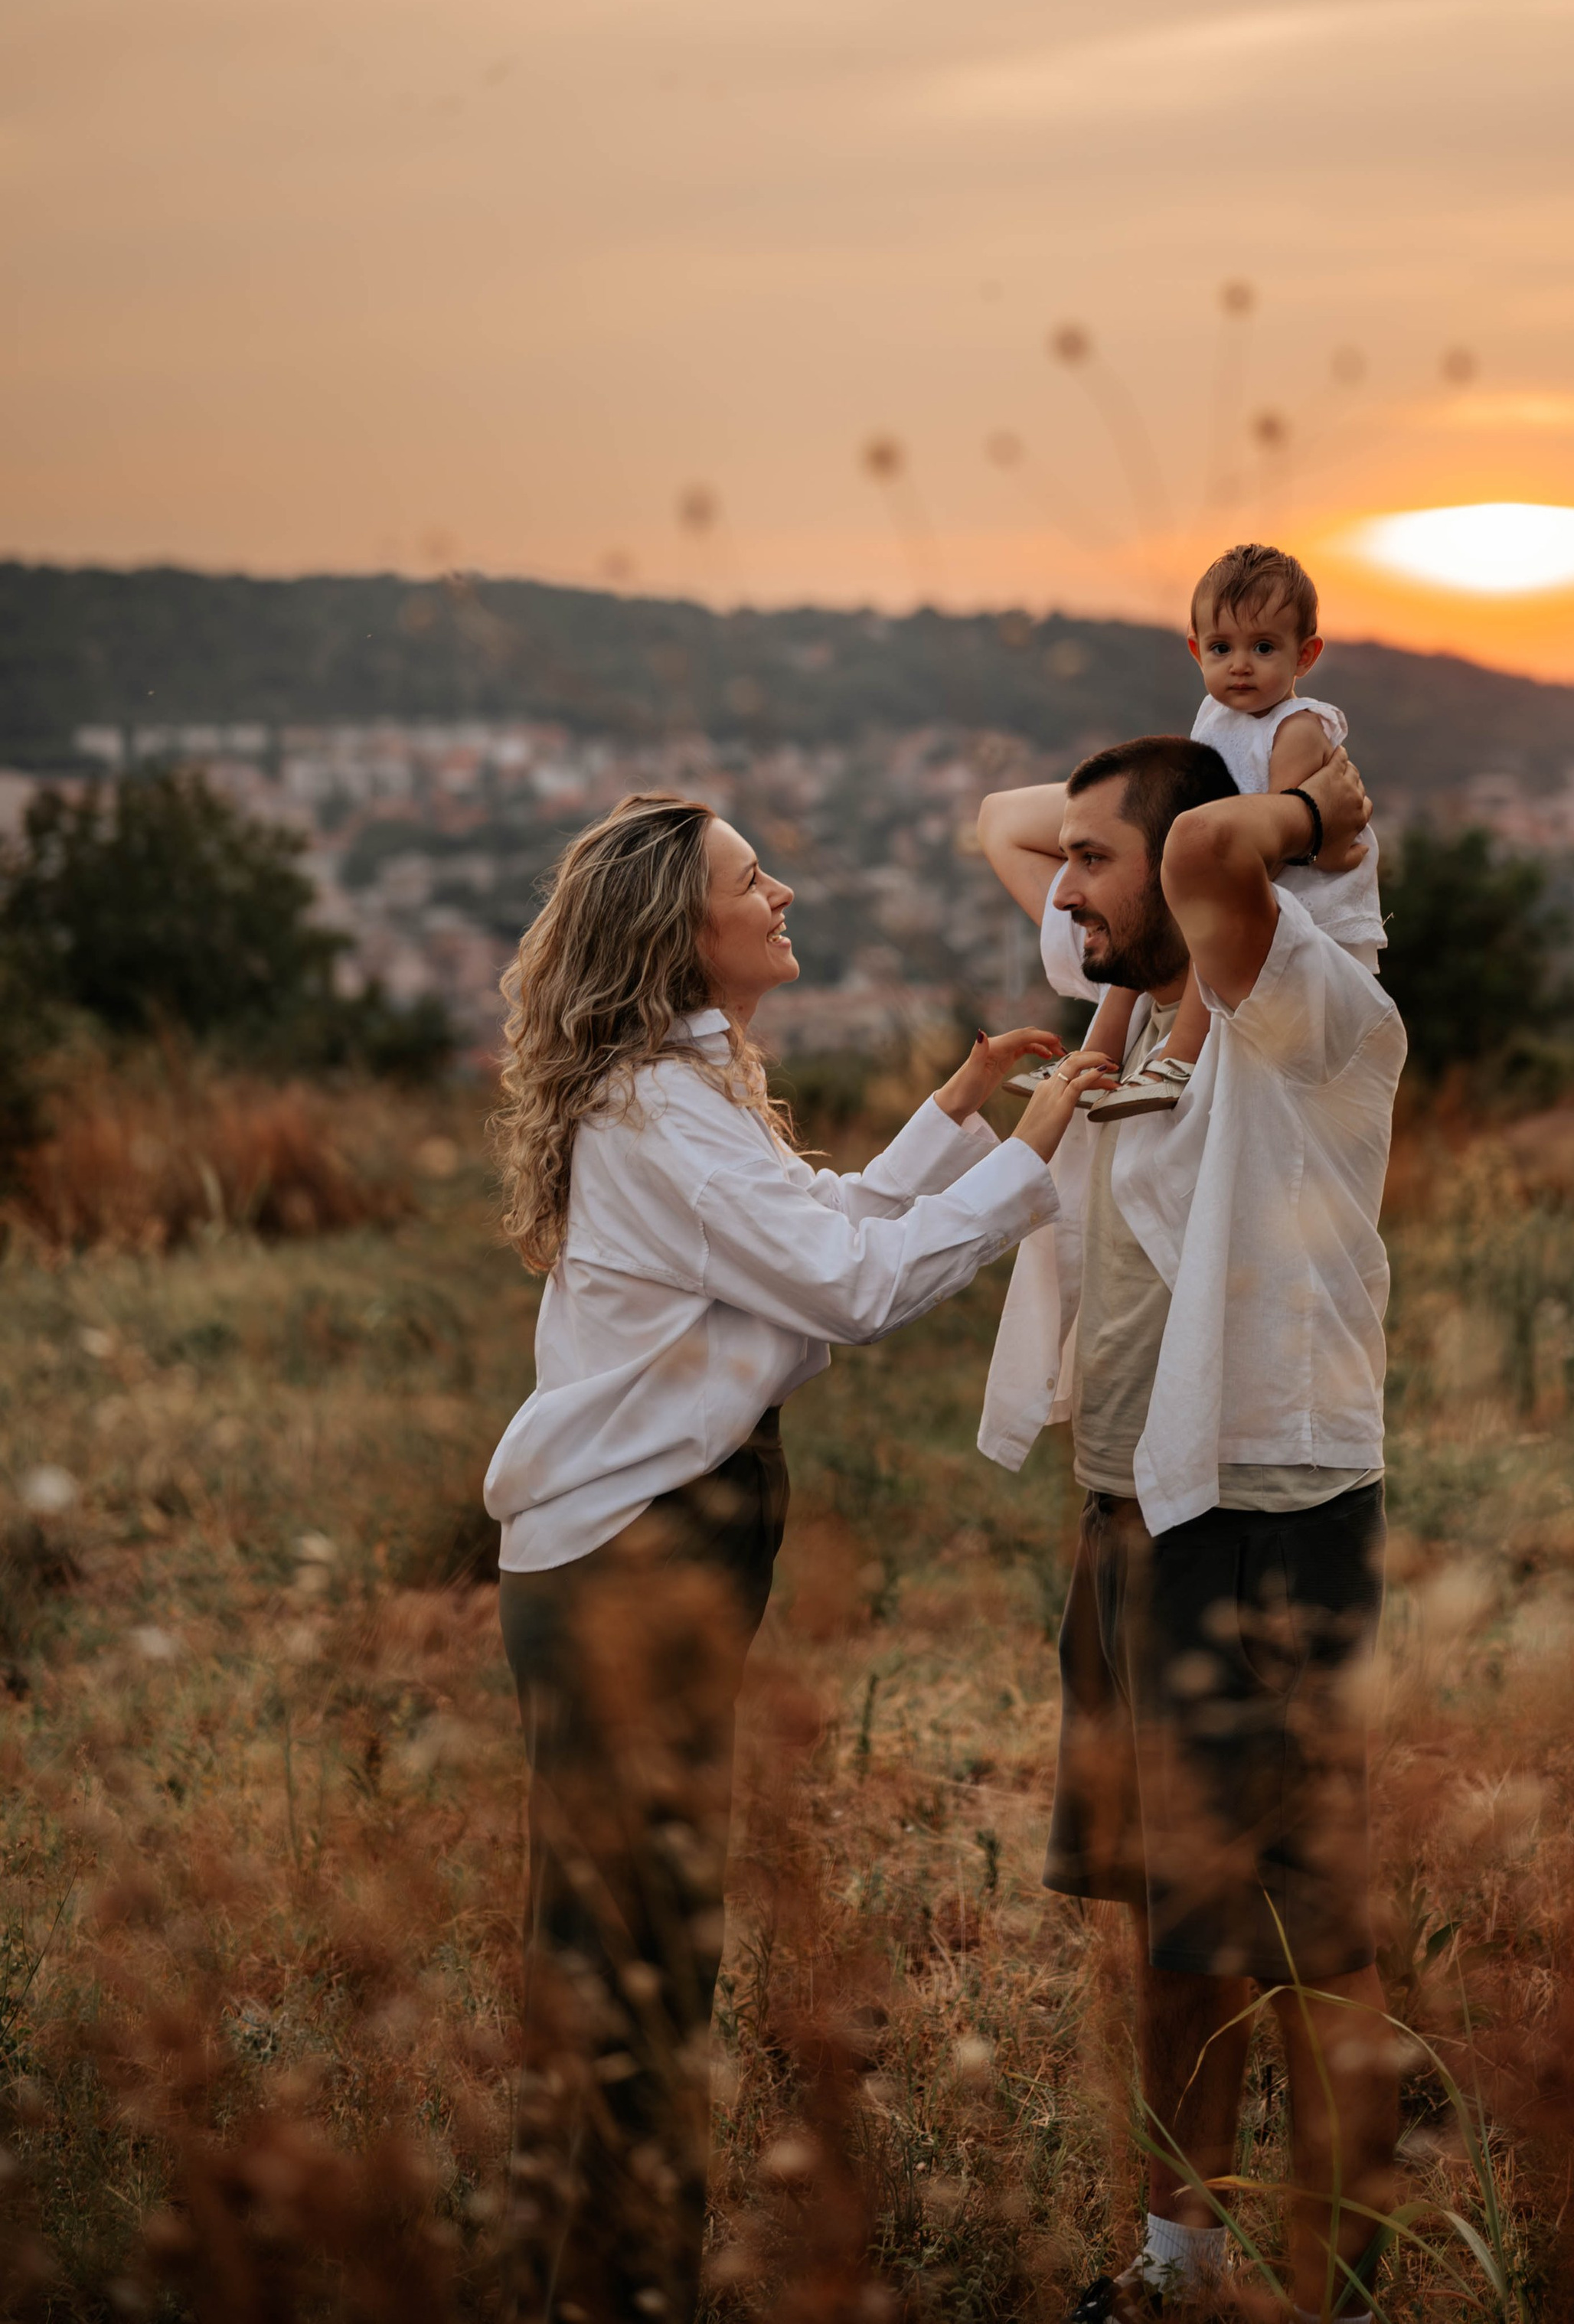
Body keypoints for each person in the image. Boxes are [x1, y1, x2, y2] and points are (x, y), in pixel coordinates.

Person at [483, 792, 1109, 2322]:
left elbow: (807, 1226)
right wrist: (1027, 1152)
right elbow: (847, 1284)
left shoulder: (682, 1093)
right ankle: (615, 2287)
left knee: (631, 1936)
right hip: (630, 1563)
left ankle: (595, 2269)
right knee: (636, 1949)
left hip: (648, 1551)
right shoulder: (655, 1114)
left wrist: (951, 1111)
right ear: (679, 936)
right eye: (750, 881)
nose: (782, 894)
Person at [975, 735, 1405, 2322]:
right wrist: (1145, 803)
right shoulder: (1134, 1003)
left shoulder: (1291, 1006)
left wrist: (1307, 807)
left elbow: (1219, 855)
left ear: (1186, 872)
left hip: (1260, 1517)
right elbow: (1000, 819)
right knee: (1171, 1917)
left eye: (1097, 860)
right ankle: (1176, 2266)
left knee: (1301, 1927)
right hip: (1134, 1512)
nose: (1058, 884)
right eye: (1073, 861)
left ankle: (1341, 2285)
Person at [1013, 540, 1385, 1123]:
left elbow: (1277, 838)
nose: (1240, 664)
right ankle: (1094, 1059)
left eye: (1264, 647)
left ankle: (1177, 1058)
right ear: (1196, 649)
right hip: (1217, 871)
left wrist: (1192, 886)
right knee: (1134, 958)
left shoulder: (1298, 729)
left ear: (1305, 654)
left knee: (1196, 936)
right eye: (1221, 647)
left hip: (1288, 896)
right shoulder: (1214, 718)